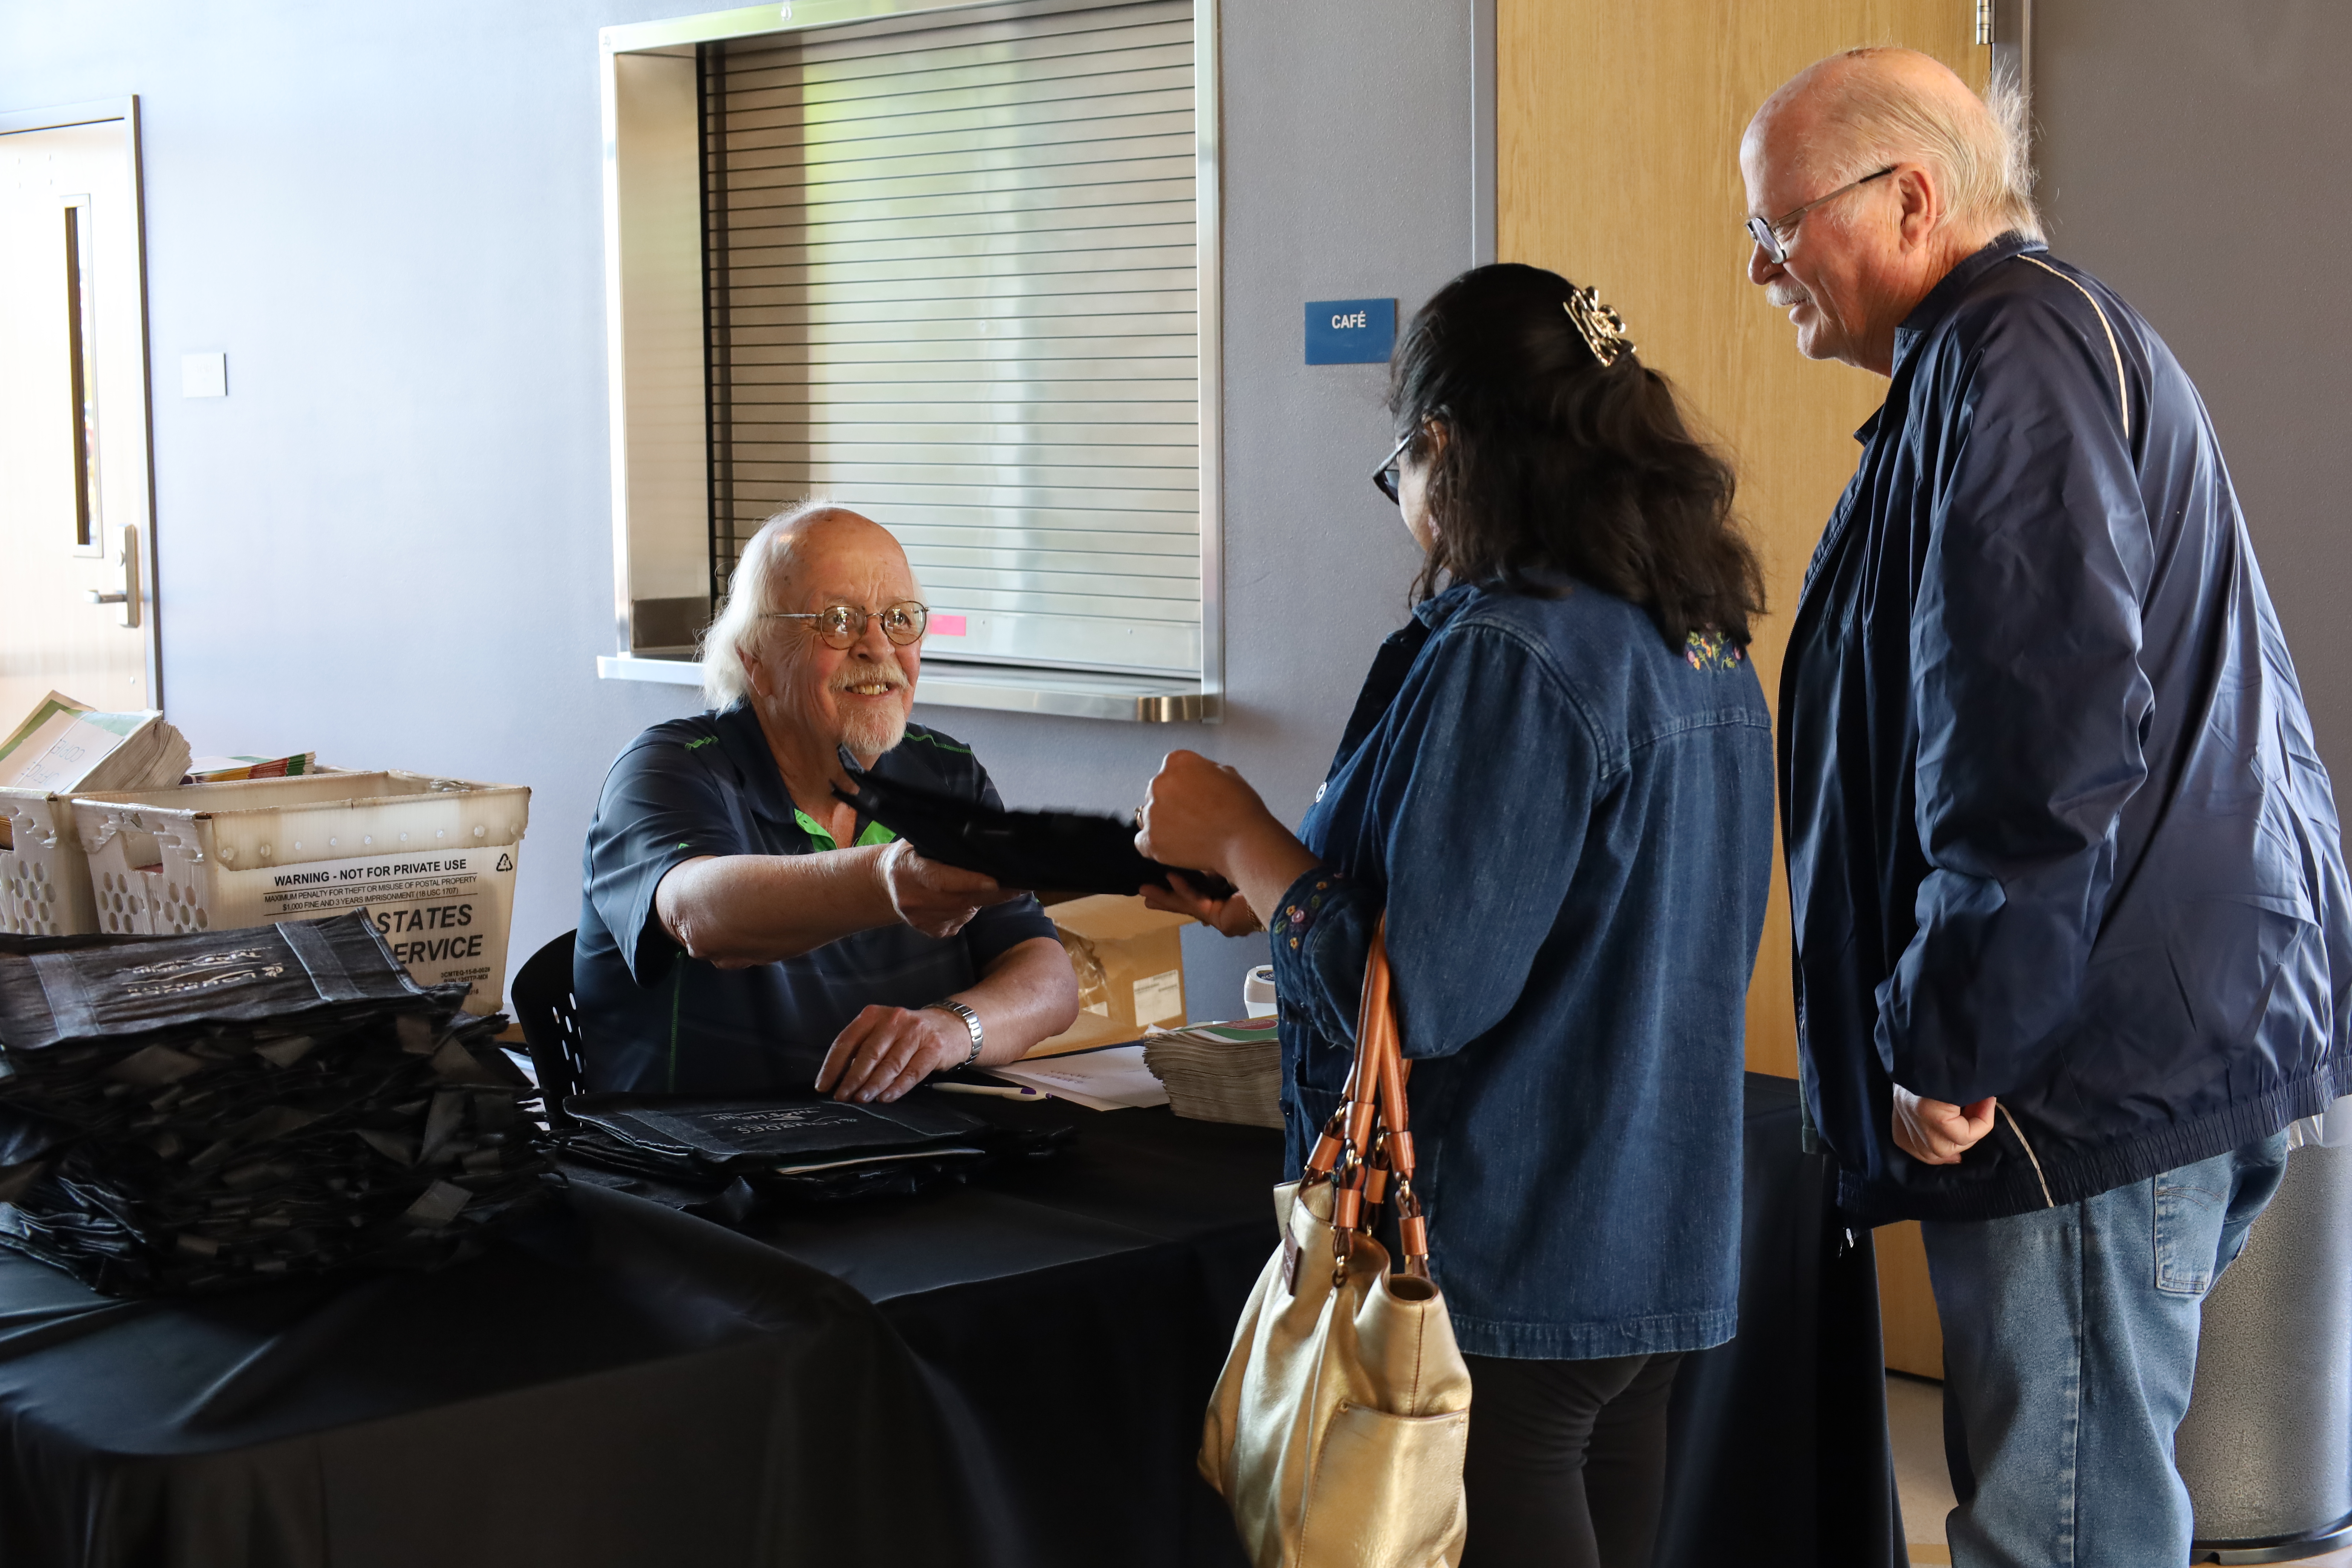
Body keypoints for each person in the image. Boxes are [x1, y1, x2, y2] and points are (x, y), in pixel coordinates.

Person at [1744, 48, 2352, 1568]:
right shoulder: (2019, 350)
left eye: (1784, 222)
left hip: (2065, 1077)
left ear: (1910, 198)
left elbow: (2039, 737)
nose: (1762, 263)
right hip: (2109, 1051)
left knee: (2061, 1527)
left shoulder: (2015, 359)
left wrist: (1957, 1037)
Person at [1136, 264, 1776, 1568]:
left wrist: (1241, 837)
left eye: (1401, 477)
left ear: (1442, 446)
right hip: (1654, 1239)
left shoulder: (1514, 649)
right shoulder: (1697, 641)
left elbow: (1425, 996)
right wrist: (1262, 886)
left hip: (1500, 1256)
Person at [574, 502, 1079, 1101]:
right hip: (702, 1167)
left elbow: (1049, 979)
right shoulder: (669, 769)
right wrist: (890, 878)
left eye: (898, 618)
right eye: (837, 621)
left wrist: (950, 1029)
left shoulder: (944, 772)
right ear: (756, 660)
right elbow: (698, 915)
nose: (877, 647)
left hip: (901, 1150)